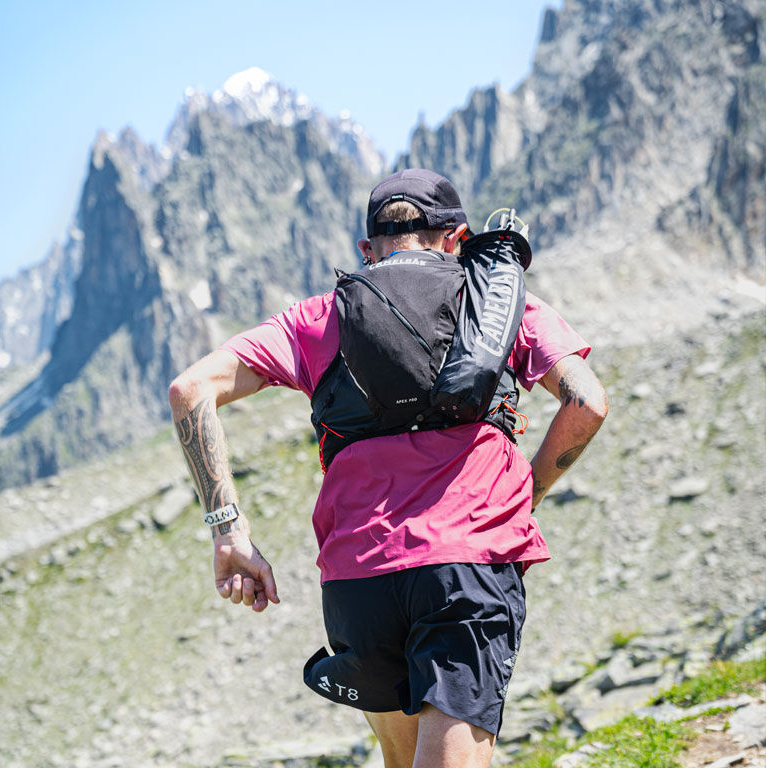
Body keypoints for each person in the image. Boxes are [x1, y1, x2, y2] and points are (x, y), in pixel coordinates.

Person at [168, 168, 608, 768]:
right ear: (456, 239)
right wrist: (523, 496)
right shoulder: (503, 304)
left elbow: (191, 390)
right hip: (467, 564)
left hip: (359, 578)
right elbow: (587, 403)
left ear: (366, 250)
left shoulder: (318, 318)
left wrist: (229, 532)